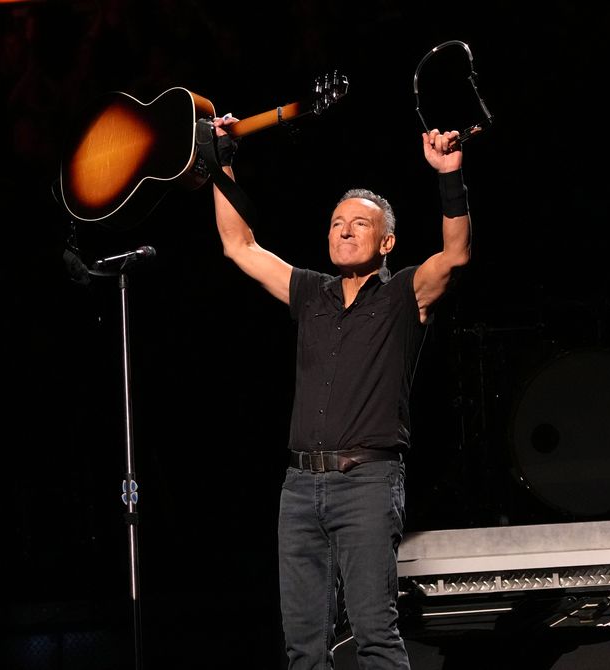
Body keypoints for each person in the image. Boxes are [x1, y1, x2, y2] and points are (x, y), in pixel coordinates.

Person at [208, 115, 472, 669]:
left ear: (387, 241)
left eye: (359, 224)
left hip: (368, 483)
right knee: (303, 650)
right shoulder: (311, 293)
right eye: (336, 223)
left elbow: (454, 256)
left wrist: (449, 175)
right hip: (300, 488)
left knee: (375, 634)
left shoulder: (403, 295)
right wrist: (221, 162)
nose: (345, 231)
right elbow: (239, 245)